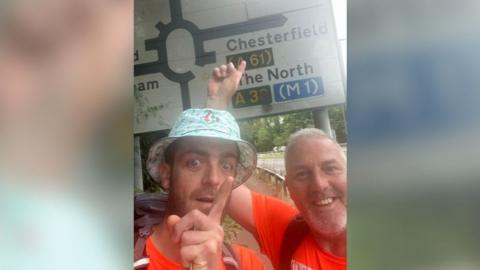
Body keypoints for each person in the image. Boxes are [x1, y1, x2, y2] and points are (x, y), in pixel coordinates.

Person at [205, 64, 347, 270]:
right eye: (302, 174)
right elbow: (222, 181)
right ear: (288, 187)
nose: (319, 184)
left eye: (330, 168)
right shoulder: (288, 231)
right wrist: (216, 103)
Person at [142, 61, 266, 270]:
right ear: (166, 174)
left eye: (226, 165)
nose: (213, 179)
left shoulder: (246, 264)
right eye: (195, 162)